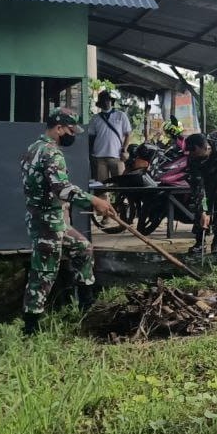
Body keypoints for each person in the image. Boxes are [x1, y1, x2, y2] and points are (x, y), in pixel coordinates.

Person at [22, 108, 117, 336]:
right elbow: (62, 189)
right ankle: (30, 328)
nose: (73, 135)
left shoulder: (34, 148)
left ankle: (87, 306)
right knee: (43, 273)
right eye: (71, 131)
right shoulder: (50, 153)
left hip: (51, 220)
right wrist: (94, 200)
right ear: (59, 128)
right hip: (47, 223)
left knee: (82, 247)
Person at [88, 90, 132, 183]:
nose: (106, 102)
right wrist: (90, 154)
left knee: (119, 185)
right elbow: (91, 138)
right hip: (99, 157)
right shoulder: (95, 118)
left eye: (108, 100)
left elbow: (128, 134)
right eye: (103, 101)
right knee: (101, 186)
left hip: (117, 156)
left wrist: (124, 149)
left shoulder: (121, 115)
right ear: (100, 104)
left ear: (111, 101)